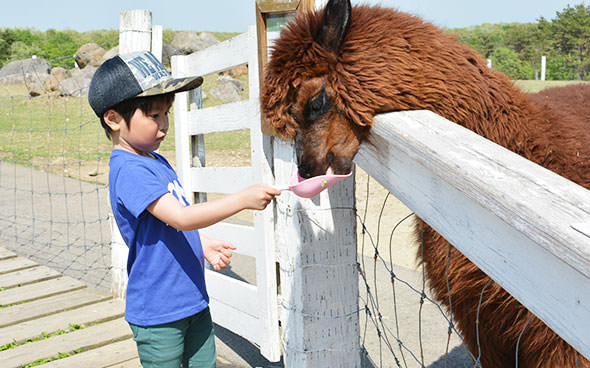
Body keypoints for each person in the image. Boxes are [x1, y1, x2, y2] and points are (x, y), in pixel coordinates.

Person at [88, 50, 280, 368]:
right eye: (153, 115)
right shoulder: (130, 170)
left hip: (191, 299)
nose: (163, 125)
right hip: (159, 311)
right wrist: (242, 200)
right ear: (113, 119)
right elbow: (180, 217)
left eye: (166, 114)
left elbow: (168, 224)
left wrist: (201, 245)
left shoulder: (154, 160)